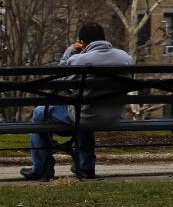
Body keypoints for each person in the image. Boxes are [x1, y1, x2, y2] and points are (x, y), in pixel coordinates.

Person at [20, 22, 133, 181]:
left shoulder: (79, 59)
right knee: (85, 109)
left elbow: (58, 81)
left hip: (86, 116)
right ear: (105, 39)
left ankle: (41, 168)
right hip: (114, 116)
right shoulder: (125, 57)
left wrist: (70, 52)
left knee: (40, 113)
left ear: (83, 43)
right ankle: (86, 167)